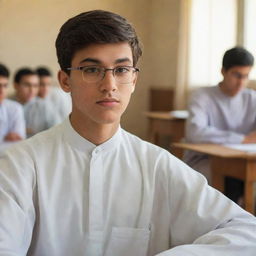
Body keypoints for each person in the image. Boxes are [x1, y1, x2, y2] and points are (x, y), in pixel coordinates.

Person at [0, 11, 255, 256]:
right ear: (65, 80)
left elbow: (246, 232)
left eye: (121, 70)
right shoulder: (21, 164)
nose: (109, 85)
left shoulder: (156, 165)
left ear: (133, 80)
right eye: (91, 69)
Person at [184, 47, 255, 205]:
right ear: (223, 71)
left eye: (246, 76)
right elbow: (195, 133)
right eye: (236, 75)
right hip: (205, 161)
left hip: (244, 161)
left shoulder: (252, 98)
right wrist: (242, 139)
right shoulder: (202, 96)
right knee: (232, 179)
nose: (241, 82)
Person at [10, 68, 58, 137]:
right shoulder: (6, 104)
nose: (32, 90)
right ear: (16, 85)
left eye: (35, 86)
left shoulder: (44, 106)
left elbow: (56, 130)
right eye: (27, 85)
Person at [0, 63, 25, 154]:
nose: (2, 91)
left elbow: (18, 144)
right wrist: (4, 138)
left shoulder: (15, 108)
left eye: (5, 86)